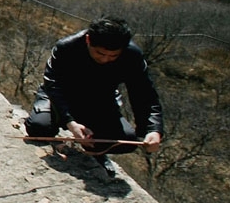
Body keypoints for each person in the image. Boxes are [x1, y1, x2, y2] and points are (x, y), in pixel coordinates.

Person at [25, 16, 163, 178]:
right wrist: (70, 122)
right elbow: (53, 84)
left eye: (113, 56)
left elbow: (144, 93)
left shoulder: (132, 55)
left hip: (100, 100)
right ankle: (58, 129)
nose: (105, 60)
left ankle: (95, 151)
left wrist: (154, 130)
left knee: (125, 140)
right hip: (59, 97)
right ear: (89, 40)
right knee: (39, 127)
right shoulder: (66, 47)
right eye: (100, 53)